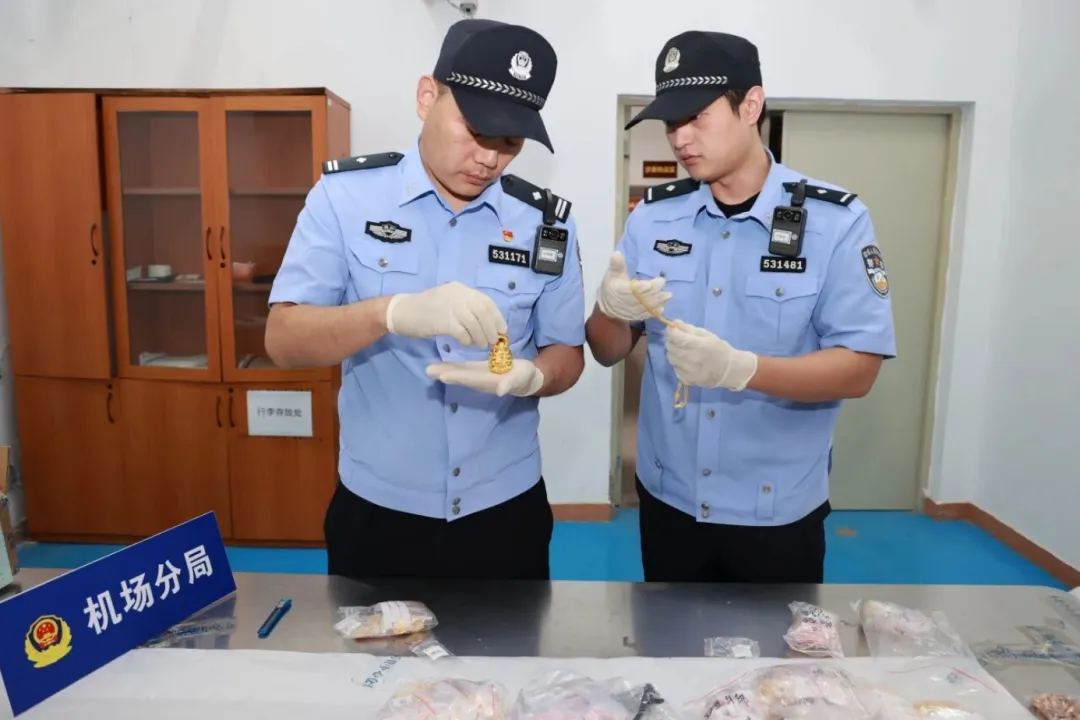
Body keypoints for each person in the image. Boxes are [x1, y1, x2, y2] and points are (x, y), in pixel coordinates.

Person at [264, 19, 585, 582]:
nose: (489, 159)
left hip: (505, 510)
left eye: (510, 142)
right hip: (379, 513)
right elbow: (283, 340)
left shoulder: (546, 224)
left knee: (508, 644)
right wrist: (388, 313)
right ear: (426, 97)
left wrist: (534, 377)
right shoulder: (345, 199)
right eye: (475, 130)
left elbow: (568, 352)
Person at [586, 31, 896, 584]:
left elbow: (859, 368)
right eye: (670, 122)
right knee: (666, 638)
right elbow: (607, 351)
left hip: (775, 511)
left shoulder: (835, 222)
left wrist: (742, 370)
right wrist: (610, 310)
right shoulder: (653, 219)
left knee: (776, 645)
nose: (679, 138)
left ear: (750, 106)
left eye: (696, 118)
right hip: (669, 500)